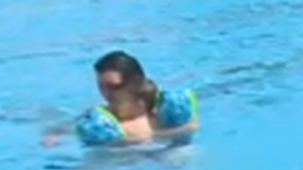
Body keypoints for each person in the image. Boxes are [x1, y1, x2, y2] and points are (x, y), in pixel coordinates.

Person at [59, 51, 199, 147]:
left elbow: (193, 126)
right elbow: (65, 129)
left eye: (114, 87)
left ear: (135, 84)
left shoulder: (170, 107)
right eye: (101, 86)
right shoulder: (101, 122)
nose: (106, 93)